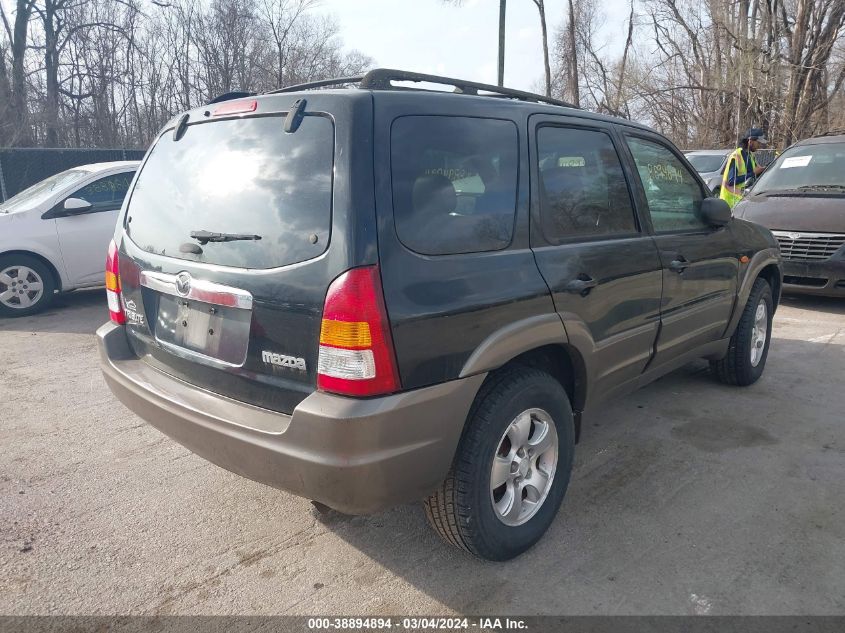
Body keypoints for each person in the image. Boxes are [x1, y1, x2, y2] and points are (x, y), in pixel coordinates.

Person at [720, 127, 768, 208]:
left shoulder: (750, 155)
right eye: (758, 143)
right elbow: (731, 181)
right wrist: (753, 173)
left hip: (742, 203)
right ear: (751, 141)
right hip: (729, 206)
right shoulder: (736, 155)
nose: (759, 145)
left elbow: (753, 174)